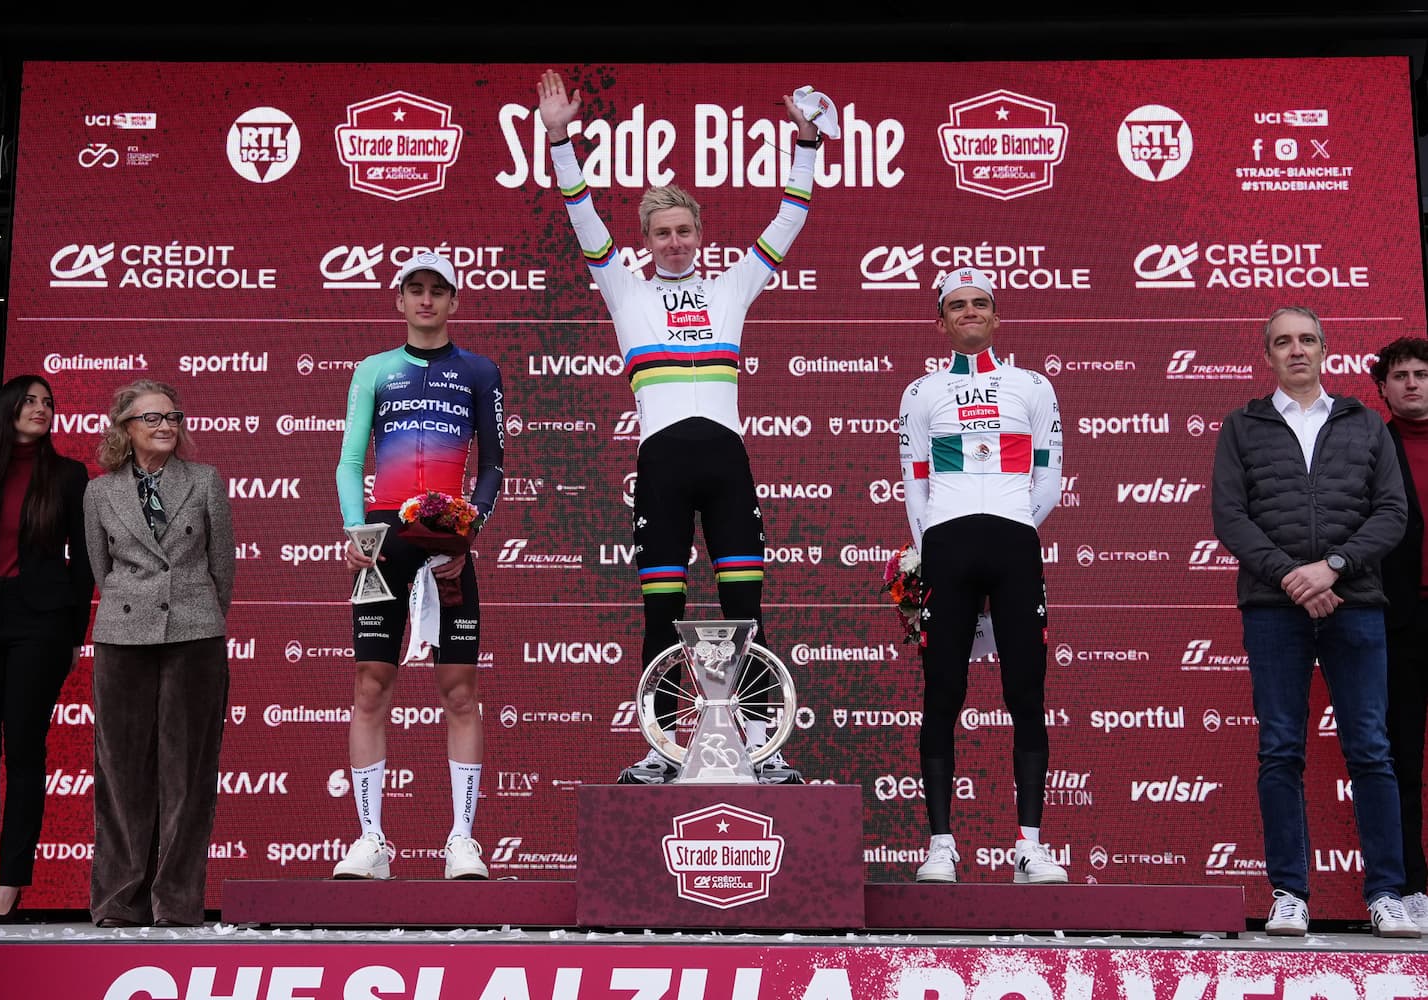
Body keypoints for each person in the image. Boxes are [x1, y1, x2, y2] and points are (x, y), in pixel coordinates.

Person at [535, 69, 827, 784]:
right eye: (661, 233)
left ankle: (761, 743)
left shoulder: (732, 286)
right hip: (662, 465)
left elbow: (789, 217)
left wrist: (807, 142)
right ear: (647, 239)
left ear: (700, 234)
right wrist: (560, 141)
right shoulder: (624, 289)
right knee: (661, 612)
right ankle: (663, 745)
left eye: (684, 230)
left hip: (725, 460)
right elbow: (582, 218)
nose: (673, 242)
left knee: (744, 609)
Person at [1211, 306, 1418, 938]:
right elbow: (1231, 517)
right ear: (1267, 355)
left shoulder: (1363, 424)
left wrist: (1331, 567)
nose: (1295, 350)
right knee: (1280, 749)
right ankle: (1290, 893)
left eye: (1306, 340)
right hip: (1276, 612)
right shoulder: (1242, 426)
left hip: (1354, 604)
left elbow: (1391, 512)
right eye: (1283, 342)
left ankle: (1387, 893)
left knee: (1372, 750)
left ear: (1325, 349)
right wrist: (1292, 579)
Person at [333, 249, 505, 881]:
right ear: (399, 300)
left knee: (460, 691)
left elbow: (491, 468)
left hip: (450, 543)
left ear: (455, 302)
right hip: (384, 541)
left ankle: (462, 841)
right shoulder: (375, 369)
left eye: (439, 290)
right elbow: (352, 461)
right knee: (370, 685)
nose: (427, 300)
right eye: (416, 290)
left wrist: (470, 527)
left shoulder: (480, 370)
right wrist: (358, 533)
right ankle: (370, 841)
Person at [895, 267, 1067, 885]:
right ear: (940, 322)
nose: (969, 312)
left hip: (1015, 540)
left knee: (1027, 693)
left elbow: (1048, 475)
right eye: (957, 306)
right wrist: (927, 550)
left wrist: (1015, 521)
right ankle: (941, 845)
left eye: (981, 304)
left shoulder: (1032, 386)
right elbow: (915, 480)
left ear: (996, 317)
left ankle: (1030, 845)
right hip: (945, 543)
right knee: (942, 693)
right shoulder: (921, 393)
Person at [83, 379, 234, 927]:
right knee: (121, 773)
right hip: (122, 639)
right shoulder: (99, 492)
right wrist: (138, 603)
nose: (167, 425)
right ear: (126, 429)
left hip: (194, 636)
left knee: (188, 775)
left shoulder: (205, 481)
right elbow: (103, 571)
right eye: (152, 418)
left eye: (173, 416)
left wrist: (197, 613)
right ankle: (120, 901)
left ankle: (175, 903)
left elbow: (223, 569)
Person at [0, 374, 93, 923]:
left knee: (24, 752)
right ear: (6, 408)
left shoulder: (68, 475)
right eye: (30, 401)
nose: (41, 409)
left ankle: (11, 886)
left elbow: (83, 566)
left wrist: (75, 633)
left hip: (41, 623)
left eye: (47, 403)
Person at [1372, 336, 1428, 931]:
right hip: (1398, 619)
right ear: (1382, 387)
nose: (1412, 383)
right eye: (1401, 375)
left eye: (1421, 373)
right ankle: (1413, 885)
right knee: (1400, 760)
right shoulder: (1371, 442)